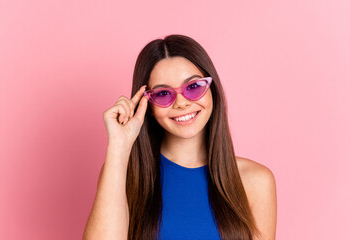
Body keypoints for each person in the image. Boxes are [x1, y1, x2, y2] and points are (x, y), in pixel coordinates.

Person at [83, 34, 277, 240]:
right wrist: (119, 146)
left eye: (193, 87)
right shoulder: (123, 173)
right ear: (147, 105)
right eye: (163, 94)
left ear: (212, 89)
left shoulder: (257, 181)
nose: (181, 103)